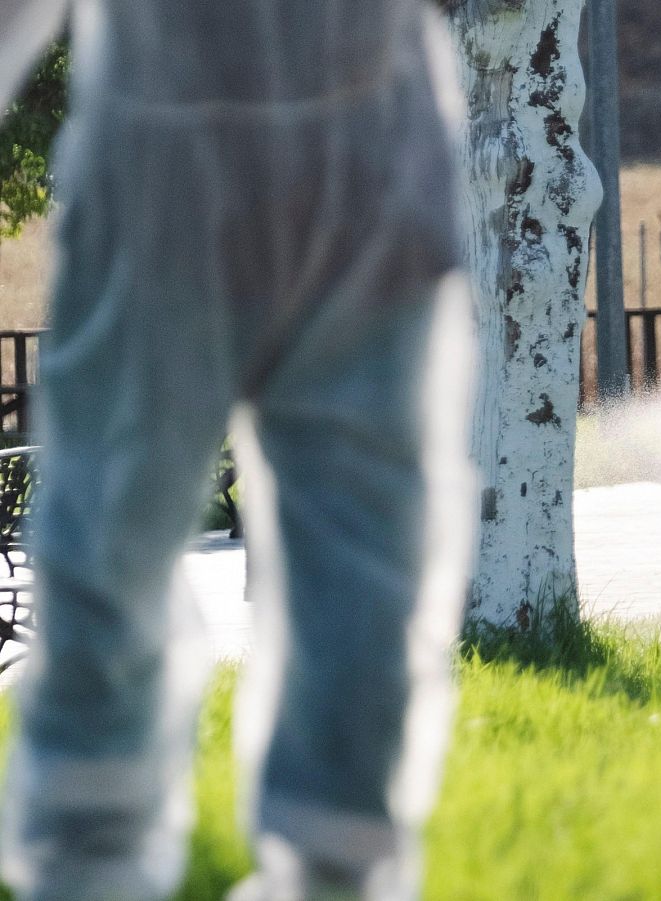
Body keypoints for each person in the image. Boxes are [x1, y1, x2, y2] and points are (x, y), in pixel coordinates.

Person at [0, 0, 476, 898]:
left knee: (357, 564)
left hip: (333, 157)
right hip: (204, 156)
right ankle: (96, 862)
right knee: (118, 532)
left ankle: (326, 866)